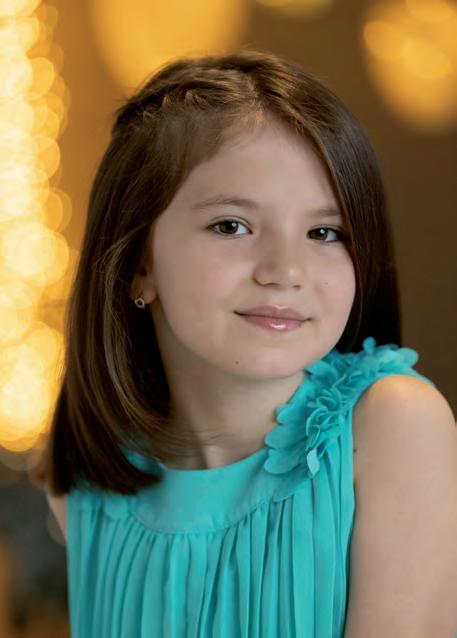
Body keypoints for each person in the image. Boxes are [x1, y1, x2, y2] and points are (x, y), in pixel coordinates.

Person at [34, 48, 457, 637]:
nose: (285, 270)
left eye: (324, 232)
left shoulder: (394, 428)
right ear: (137, 264)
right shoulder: (85, 482)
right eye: (231, 225)